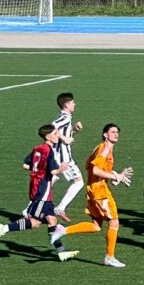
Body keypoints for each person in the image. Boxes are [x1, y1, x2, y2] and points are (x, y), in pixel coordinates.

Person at [0, 124, 79, 262]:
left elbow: (25, 164)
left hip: (38, 186)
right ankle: (4, 228)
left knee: (52, 220)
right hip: (42, 190)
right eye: (55, 134)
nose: (57, 136)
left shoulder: (38, 148)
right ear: (48, 136)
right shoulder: (49, 151)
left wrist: (39, 171)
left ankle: (61, 252)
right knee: (36, 222)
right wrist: (62, 168)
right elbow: (53, 172)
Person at [61, 124, 134, 268]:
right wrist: (115, 177)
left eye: (117, 132)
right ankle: (109, 257)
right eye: (112, 132)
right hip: (100, 192)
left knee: (96, 226)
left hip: (96, 189)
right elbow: (95, 170)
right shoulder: (105, 149)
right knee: (114, 222)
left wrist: (114, 176)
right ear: (105, 135)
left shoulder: (101, 148)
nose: (116, 134)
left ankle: (62, 230)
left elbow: (92, 166)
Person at [50, 93, 86, 222]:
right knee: (79, 182)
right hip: (64, 158)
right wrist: (65, 138)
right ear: (66, 105)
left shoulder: (66, 117)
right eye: (72, 102)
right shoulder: (65, 117)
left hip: (58, 156)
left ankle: (29, 209)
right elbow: (53, 126)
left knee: (49, 182)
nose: (74, 104)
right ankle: (60, 208)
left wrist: (74, 130)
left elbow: (65, 135)